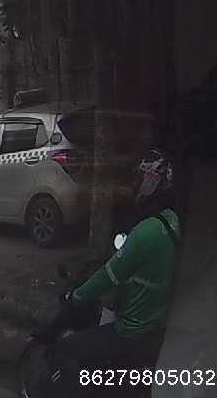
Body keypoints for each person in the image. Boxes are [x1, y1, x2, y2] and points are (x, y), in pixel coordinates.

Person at [51, 150, 180, 395]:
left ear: (152, 181)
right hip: (156, 326)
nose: (135, 184)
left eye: (140, 178)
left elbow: (107, 277)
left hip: (132, 331)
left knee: (68, 349)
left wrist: (76, 296)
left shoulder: (146, 231)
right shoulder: (172, 221)